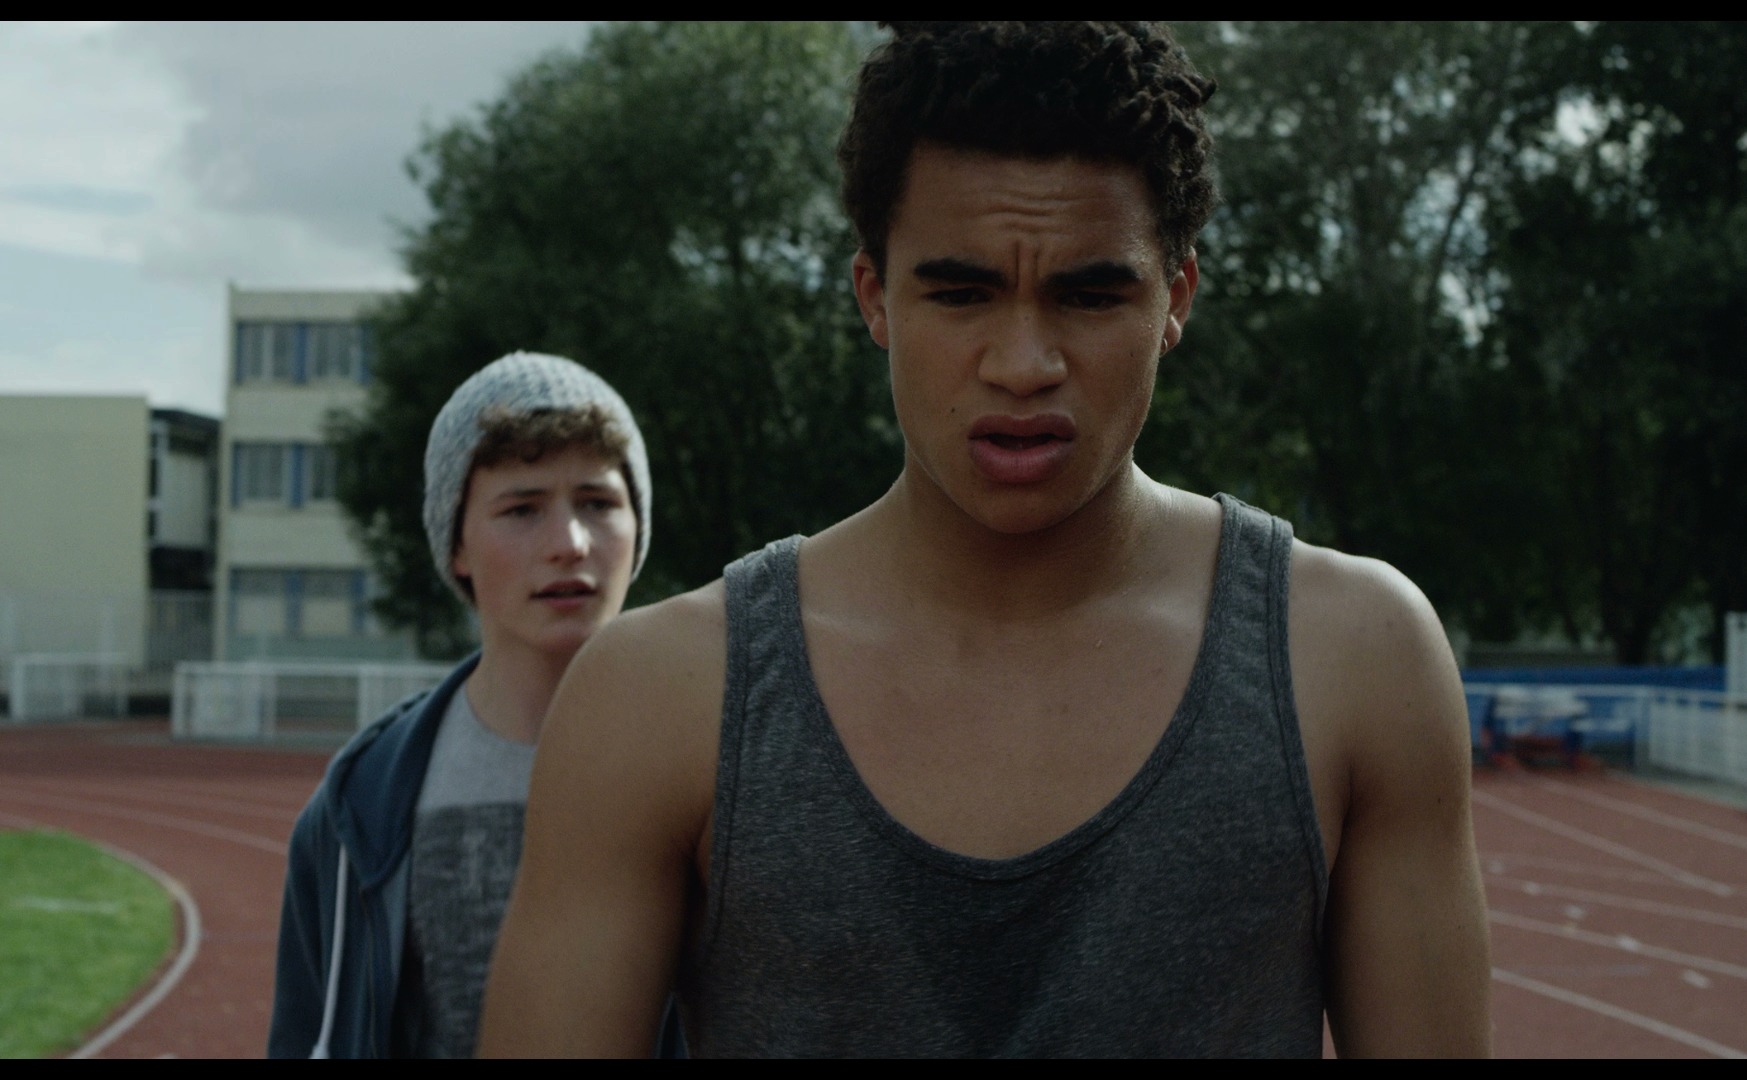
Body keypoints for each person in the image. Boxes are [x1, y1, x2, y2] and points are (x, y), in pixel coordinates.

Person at [482, 22, 1490, 1058]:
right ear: (875, 297)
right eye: (961, 293)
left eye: (1089, 295)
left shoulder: (1354, 659)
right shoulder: (660, 696)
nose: (1022, 364)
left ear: (1176, 298)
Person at [268, 352, 653, 1058]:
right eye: (522, 509)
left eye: (598, 503)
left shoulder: (721, 768)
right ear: (457, 547)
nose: (569, 544)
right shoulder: (363, 801)